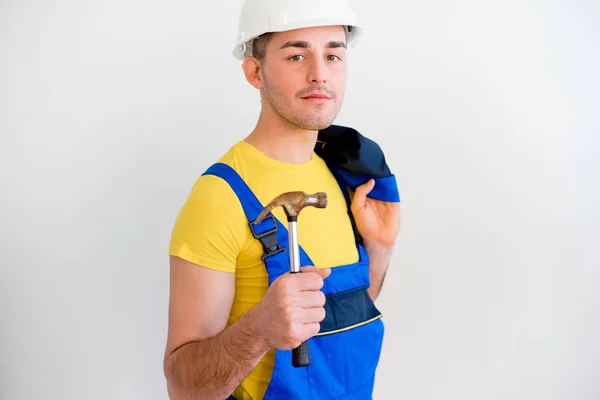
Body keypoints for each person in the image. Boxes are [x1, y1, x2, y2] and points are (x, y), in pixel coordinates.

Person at [163, 0, 401, 398]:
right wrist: (258, 330)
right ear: (255, 71)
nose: (319, 74)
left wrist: (380, 249)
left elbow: (344, 313)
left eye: (332, 54)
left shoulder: (345, 176)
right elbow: (183, 387)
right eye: (296, 55)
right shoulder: (220, 197)